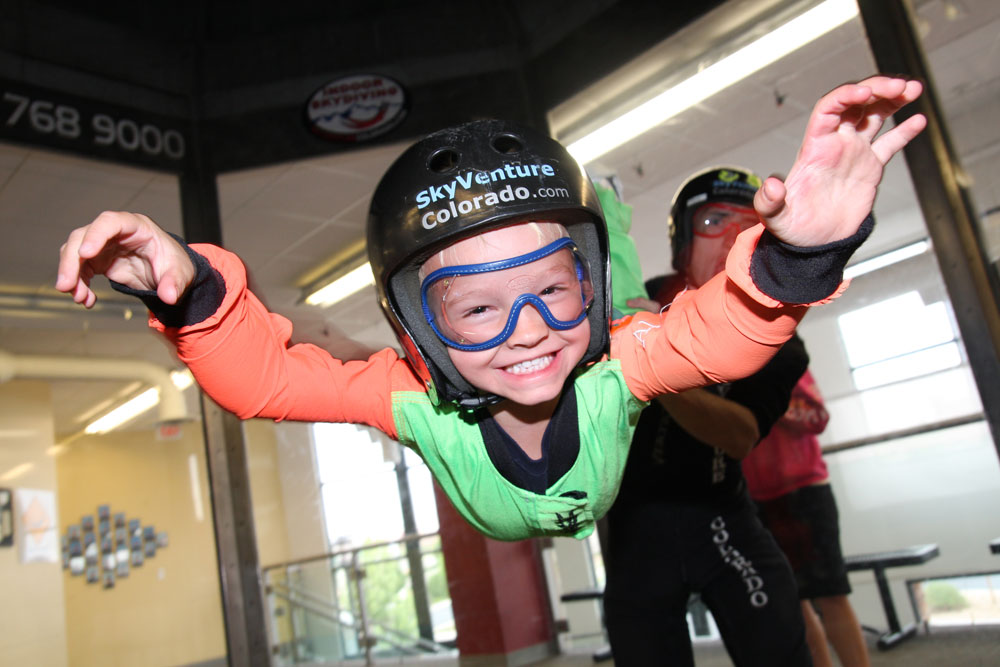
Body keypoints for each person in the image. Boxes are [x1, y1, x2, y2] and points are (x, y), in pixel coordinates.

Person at [55, 76, 925, 544]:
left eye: (550, 291)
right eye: (476, 311)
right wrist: (192, 295)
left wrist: (800, 253)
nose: (531, 336)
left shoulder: (612, 356)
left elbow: (723, 339)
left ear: (591, 283)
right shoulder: (407, 396)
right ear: (418, 331)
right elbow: (267, 381)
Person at [602, 166, 814, 666]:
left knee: (782, 648)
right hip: (634, 528)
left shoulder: (777, 337)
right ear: (683, 245)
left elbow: (739, 434)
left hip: (723, 516)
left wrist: (656, 359)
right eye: (714, 220)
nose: (733, 239)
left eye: (751, 226)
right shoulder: (637, 301)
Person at [742, 364, 870, 667]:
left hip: (805, 490)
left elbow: (818, 417)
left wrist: (769, 402)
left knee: (831, 594)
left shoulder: (785, 359)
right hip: (755, 499)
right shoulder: (720, 369)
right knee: (792, 604)